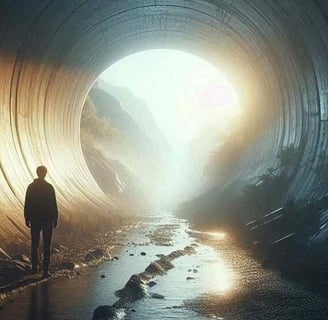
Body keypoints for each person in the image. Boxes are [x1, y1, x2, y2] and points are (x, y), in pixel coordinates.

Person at [24, 166, 58, 277]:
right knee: (47, 244)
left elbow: (27, 203)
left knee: (35, 244)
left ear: (37, 173)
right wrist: (55, 218)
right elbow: (53, 204)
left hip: (35, 219)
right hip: (47, 219)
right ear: (45, 174)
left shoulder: (31, 187)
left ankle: (34, 268)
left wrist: (27, 217)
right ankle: (45, 270)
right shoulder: (49, 187)